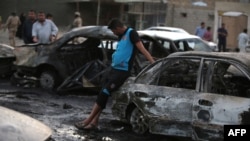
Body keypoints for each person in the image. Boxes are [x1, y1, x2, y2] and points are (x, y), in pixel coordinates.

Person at [74, 18, 155, 130]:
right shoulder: (121, 36)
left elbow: (142, 49)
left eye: (113, 31)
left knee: (104, 93)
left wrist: (153, 63)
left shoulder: (132, 33)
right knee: (102, 93)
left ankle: (87, 121)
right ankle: (94, 123)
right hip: (113, 69)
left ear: (118, 28)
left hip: (122, 71)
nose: (113, 33)